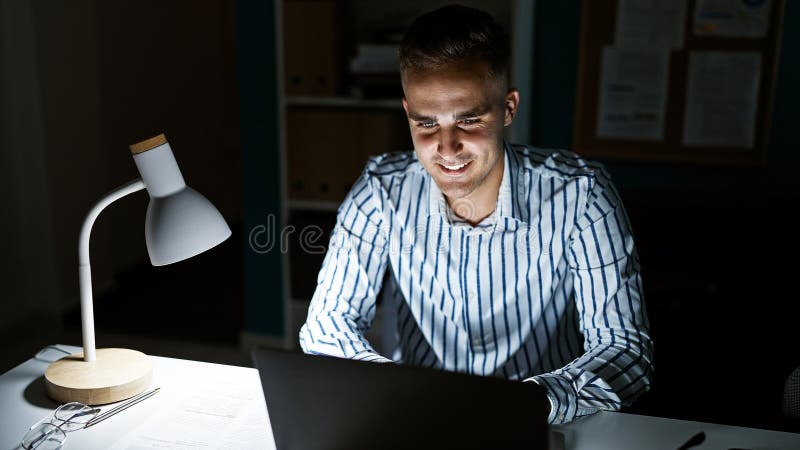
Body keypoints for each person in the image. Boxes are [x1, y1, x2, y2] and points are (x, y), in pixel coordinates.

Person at [299, 4, 653, 425]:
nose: (447, 148)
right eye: (426, 124)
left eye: (468, 120)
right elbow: (326, 326)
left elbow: (625, 348)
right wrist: (397, 390)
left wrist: (527, 403)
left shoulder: (582, 194)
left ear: (507, 108)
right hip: (416, 421)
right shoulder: (380, 191)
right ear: (407, 110)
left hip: (543, 424)